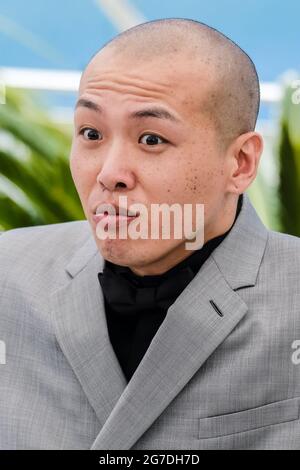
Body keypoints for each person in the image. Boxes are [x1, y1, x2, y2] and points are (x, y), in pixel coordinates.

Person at [1, 18, 300, 450]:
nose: (109, 174)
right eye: (91, 133)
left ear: (241, 163)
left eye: (152, 139)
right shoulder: (7, 274)